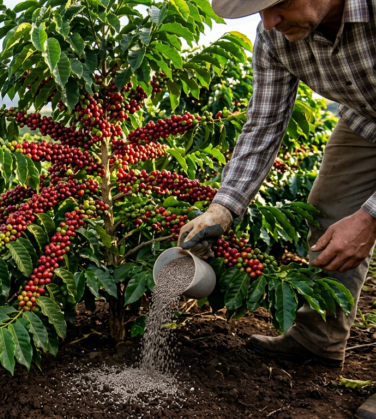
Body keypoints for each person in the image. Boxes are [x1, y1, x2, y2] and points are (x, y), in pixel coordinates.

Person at [180, 0, 376, 417]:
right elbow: (264, 122)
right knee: (328, 213)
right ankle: (317, 339)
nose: (268, 22)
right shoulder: (274, 37)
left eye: (279, 4)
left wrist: (371, 217)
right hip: (366, 120)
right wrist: (224, 206)